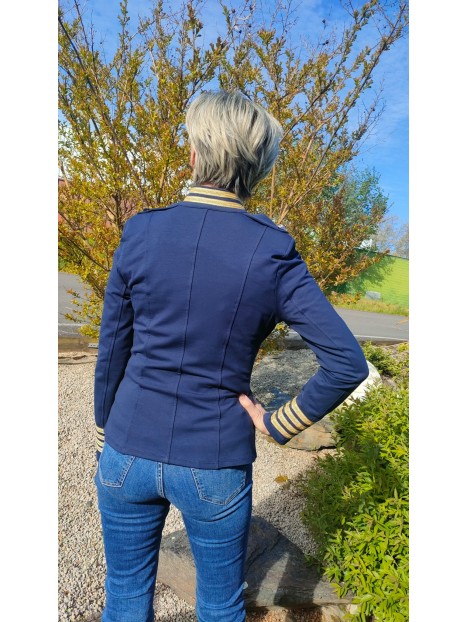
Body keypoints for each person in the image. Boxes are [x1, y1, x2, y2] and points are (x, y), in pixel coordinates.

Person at [94, 90, 369, 622]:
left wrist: (109, 426)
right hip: (215, 457)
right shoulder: (272, 250)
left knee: (124, 595)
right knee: (220, 607)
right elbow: (345, 362)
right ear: (258, 167)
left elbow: (112, 348)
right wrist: (277, 423)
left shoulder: (142, 230)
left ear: (195, 152)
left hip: (127, 448)